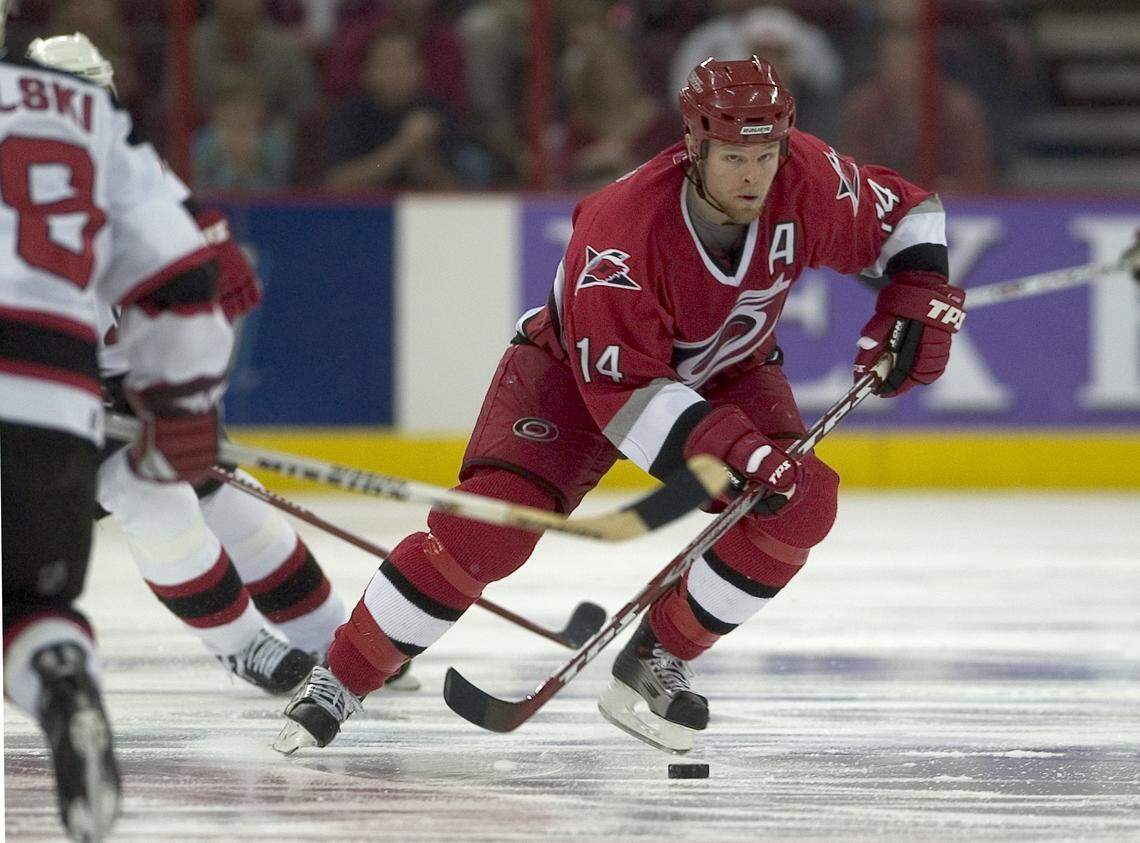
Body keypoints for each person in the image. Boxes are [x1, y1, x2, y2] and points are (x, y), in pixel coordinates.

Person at [274, 57, 965, 755]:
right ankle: (340, 675)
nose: (753, 175)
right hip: (570, 378)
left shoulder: (806, 176)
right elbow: (628, 396)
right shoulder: (620, 231)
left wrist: (918, 292)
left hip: (730, 369)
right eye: (733, 157)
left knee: (806, 501)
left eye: (764, 154)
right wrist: (735, 451)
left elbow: (910, 213)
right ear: (695, 147)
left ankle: (655, 658)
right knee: (488, 529)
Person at [25, 32, 419, 696]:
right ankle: (243, 646)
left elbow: (209, 298)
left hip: (136, 387)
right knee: (149, 498)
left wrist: (177, 394)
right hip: (46, 399)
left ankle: (333, 640)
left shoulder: (140, 182)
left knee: (226, 497)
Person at [0, 6, 233, 838]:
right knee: (27, 601)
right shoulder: (85, 114)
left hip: (63, 386)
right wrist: (181, 403)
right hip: (52, 397)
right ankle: (60, 673)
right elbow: (180, 269)